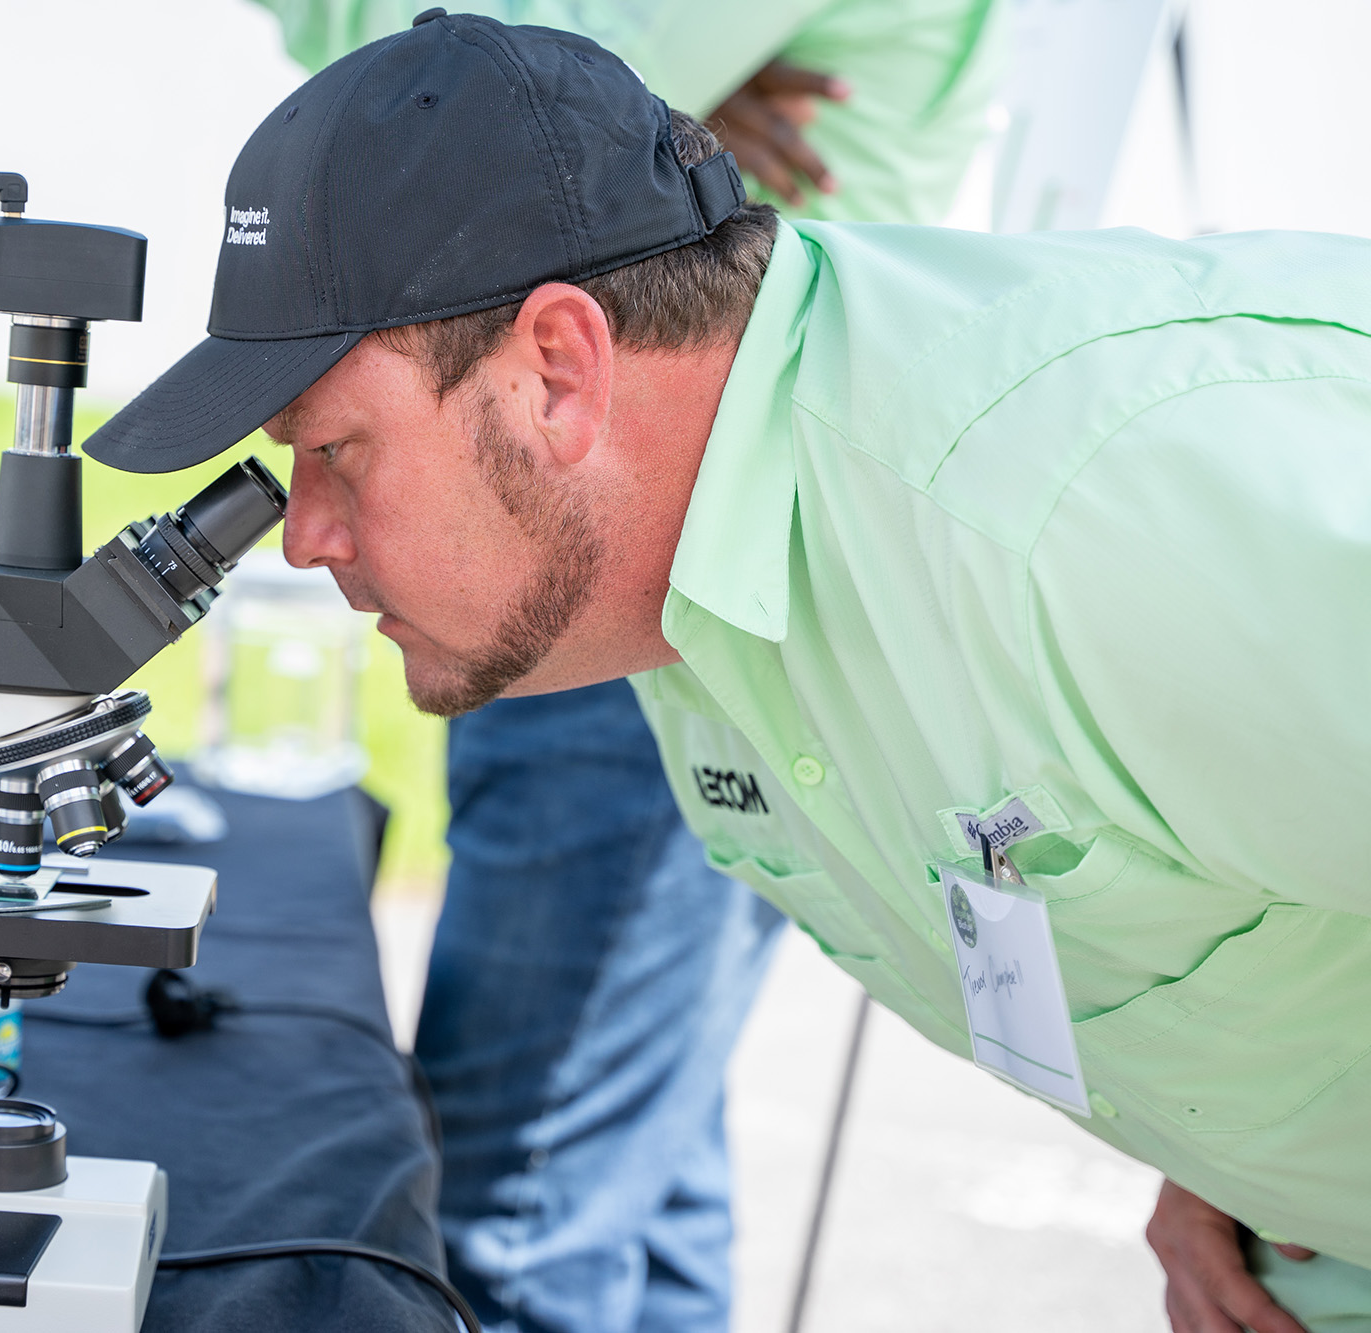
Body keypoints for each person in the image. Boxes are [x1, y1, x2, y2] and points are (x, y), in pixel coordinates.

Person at [86, 15, 1371, 1333]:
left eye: (338, 450)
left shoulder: (1082, 518)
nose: (304, 536)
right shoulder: (669, 564)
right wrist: (1228, 1156)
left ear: (559, 372)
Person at [240, 3, 1001, 1328]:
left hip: (635, 534)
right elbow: (525, 97)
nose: (308, 535)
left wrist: (650, 133)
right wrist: (674, 134)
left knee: (516, 1200)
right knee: (639, 1167)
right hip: (652, 526)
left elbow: (501, 99)